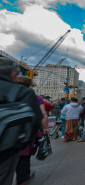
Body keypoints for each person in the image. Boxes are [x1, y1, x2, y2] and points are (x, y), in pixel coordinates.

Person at [0, 57, 42, 185]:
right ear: (13, 73)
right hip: (7, 148)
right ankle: (22, 177)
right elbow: (35, 119)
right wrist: (22, 143)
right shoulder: (23, 93)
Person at [15, 76, 49, 185]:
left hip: (8, 129)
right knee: (24, 155)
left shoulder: (7, 93)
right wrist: (46, 128)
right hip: (27, 130)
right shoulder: (35, 97)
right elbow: (43, 114)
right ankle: (23, 178)